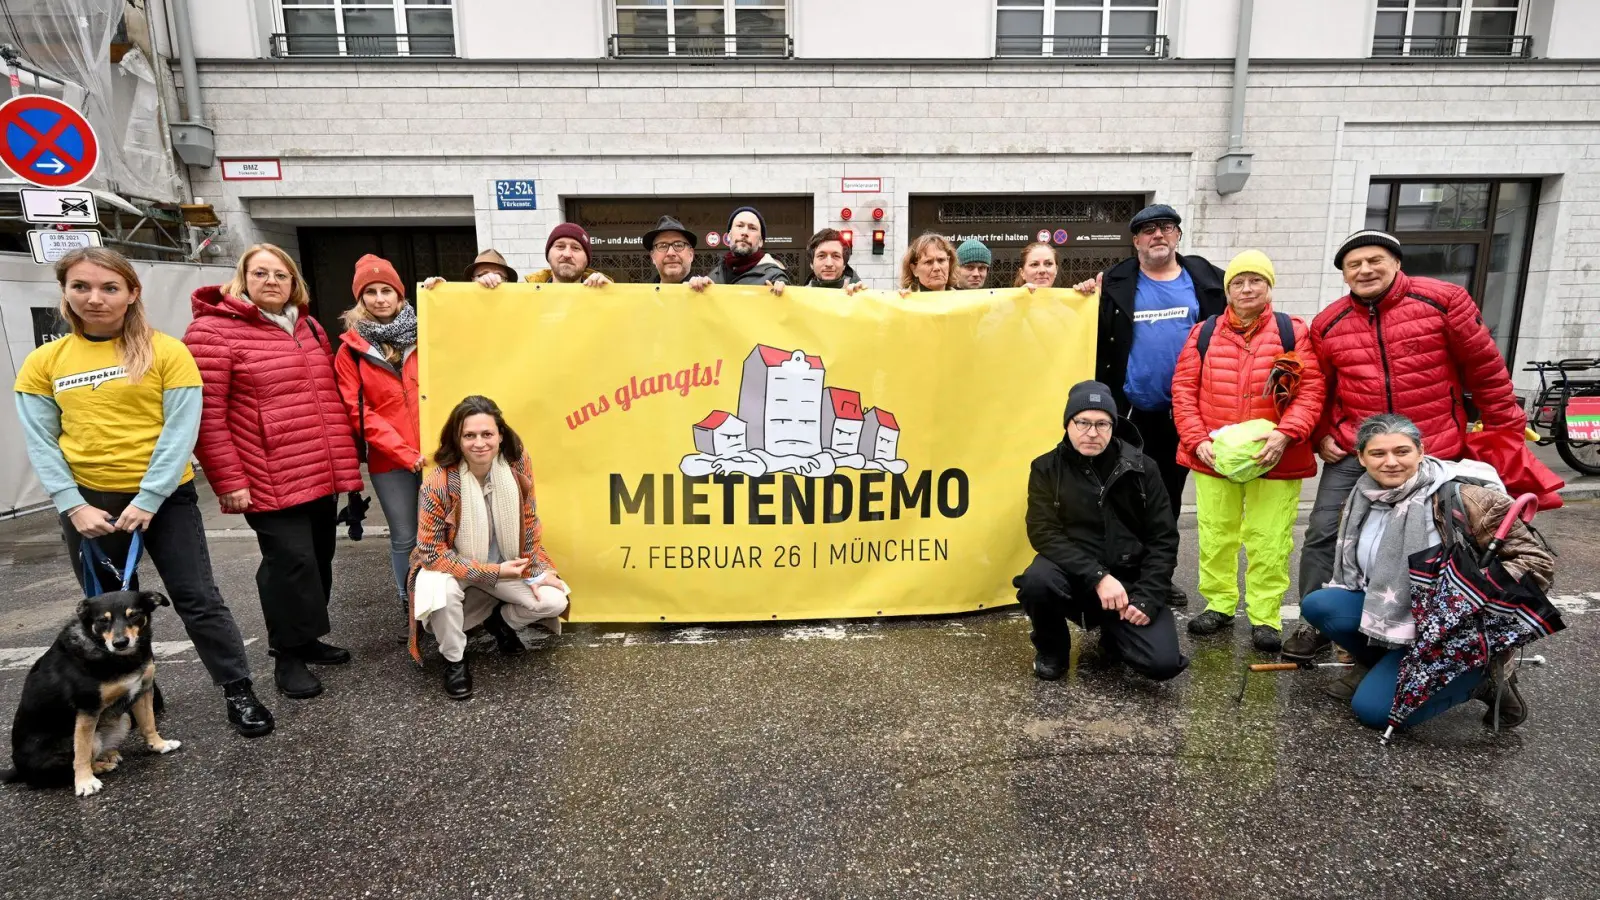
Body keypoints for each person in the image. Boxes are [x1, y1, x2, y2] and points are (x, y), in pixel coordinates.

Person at [14, 248, 274, 738]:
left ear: (132, 293)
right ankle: (134, 694)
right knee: (102, 608)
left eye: (110, 288)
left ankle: (238, 689)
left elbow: (181, 431)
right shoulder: (44, 362)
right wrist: (73, 505)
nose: (96, 298)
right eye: (81, 287)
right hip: (89, 504)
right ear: (65, 292)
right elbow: (42, 441)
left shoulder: (166, 351)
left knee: (198, 598)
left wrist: (149, 498)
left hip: (164, 500)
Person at [1282, 230, 1529, 661]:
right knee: (1325, 532)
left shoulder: (1443, 300)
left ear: (1397, 262)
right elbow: (1320, 384)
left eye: (1374, 260)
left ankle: (1427, 625)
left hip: (1433, 447)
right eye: (1353, 265)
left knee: (1440, 538)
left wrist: (1507, 432)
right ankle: (1318, 621)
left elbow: (1485, 370)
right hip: (1356, 447)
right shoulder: (1328, 323)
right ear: (1343, 274)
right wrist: (1322, 432)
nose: (1364, 270)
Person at [184, 243, 364, 700]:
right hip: (265, 473)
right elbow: (207, 417)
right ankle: (287, 655)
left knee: (319, 558)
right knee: (290, 564)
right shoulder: (211, 332)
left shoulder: (307, 326)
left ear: (293, 283)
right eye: (260, 273)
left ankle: (307, 637)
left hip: (317, 469)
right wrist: (230, 481)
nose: (271, 282)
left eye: (280, 275)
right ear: (242, 279)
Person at [1300, 413, 1553, 730]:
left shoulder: (1464, 496)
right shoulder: (1360, 498)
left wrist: (1469, 594)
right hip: (1400, 614)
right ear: (1361, 458)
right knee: (1321, 603)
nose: (1391, 462)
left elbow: (1537, 561)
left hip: (1454, 629)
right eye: (1378, 453)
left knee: (1374, 711)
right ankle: (1377, 661)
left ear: (1421, 452)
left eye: (1402, 451)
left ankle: (1482, 680)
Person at [1171, 250, 1325, 652]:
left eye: (1256, 280)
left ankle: (1265, 616)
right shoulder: (1203, 333)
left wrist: (1287, 433)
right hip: (1216, 458)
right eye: (1238, 282)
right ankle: (1219, 603)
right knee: (1216, 535)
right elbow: (1184, 391)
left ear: (1269, 286)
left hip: (1275, 457)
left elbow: (1311, 390)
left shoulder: (1293, 332)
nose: (1247, 288)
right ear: (1227, 290)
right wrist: (1197, 440)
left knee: (1269, 539)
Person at [1073, 203, 1226, 608]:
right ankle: (1123, 572)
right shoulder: (1117, 281)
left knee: (1168, 499)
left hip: (1187, 413)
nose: (1158, 235)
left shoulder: (1209, 281)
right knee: (1123, 494)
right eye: (1148, 230)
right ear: (1136, 240)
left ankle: (1159, 575)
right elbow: (1083, 326)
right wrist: (1082, 295)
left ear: (1177, 235)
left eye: (1166, 228)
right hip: (1131, 412)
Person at [1013, 380, 1188, 683]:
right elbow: (1043, 532)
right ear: (1068, 423)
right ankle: (1052, 649)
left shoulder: (1144, 469)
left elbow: (1163, 540)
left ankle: (1115, 632)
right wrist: (1098, 576)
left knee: (1162, 665)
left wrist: (1147, 597)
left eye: (1102, 424)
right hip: (1075, 574)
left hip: (1129, 582)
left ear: (1113, 426)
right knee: (1036, 581)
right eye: (1083, 422)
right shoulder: (1045, 469)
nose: (1092, 433)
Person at [409, 395, 570, 700]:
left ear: (500, 435)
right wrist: (492, 573)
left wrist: (537, 571)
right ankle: (455, 661)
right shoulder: (439, 482)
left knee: (554, 600)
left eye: (487, 434)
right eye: (469, 435)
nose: (479, 443)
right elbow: (431, 552)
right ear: (457, 439)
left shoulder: (517, 465)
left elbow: (529, 519)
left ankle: (500, 622)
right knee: (441, 595)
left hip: (506, 564)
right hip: (454, 567)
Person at [334, 254, 423, 612]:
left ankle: (453, 603)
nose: (380, 298)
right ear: (361, 300)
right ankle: (410, 603)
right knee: (405, 536)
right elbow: (359, 412)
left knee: (449, 534)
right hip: (391, 462)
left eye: (387, 290)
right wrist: (404, 452)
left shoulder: (428, 334)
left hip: (436, 453)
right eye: (370, 292)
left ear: (400, 296)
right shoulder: (351, 351)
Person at [421, 227, 611, 291]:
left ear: (587, 259)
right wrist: (442, 295)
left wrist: (609, 295)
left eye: (576, 248)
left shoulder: (606, 293)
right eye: (560, 246)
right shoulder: (523, 295)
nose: (567, 254)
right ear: (548, 255)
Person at [691, 207, 789, 290]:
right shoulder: (715, 274)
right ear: (729, 236)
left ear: (760, 241)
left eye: (752, 228)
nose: (745, 232)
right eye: (740, 226)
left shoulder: (775, 278)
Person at [804, 228, 865, 293]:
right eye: (821, 256)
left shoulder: (858, 294)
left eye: (836, 256)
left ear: (844, 265)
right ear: (811, 264)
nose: (829, 264)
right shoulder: (801, 296)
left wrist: (862, 298)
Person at [644, 215, 697, 285]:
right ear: (653, 257)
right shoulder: (644, 294)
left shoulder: (709, 292)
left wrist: (708, 293)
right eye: (663, 246)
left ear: (691, 254)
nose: (670, 253)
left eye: (678, 245)